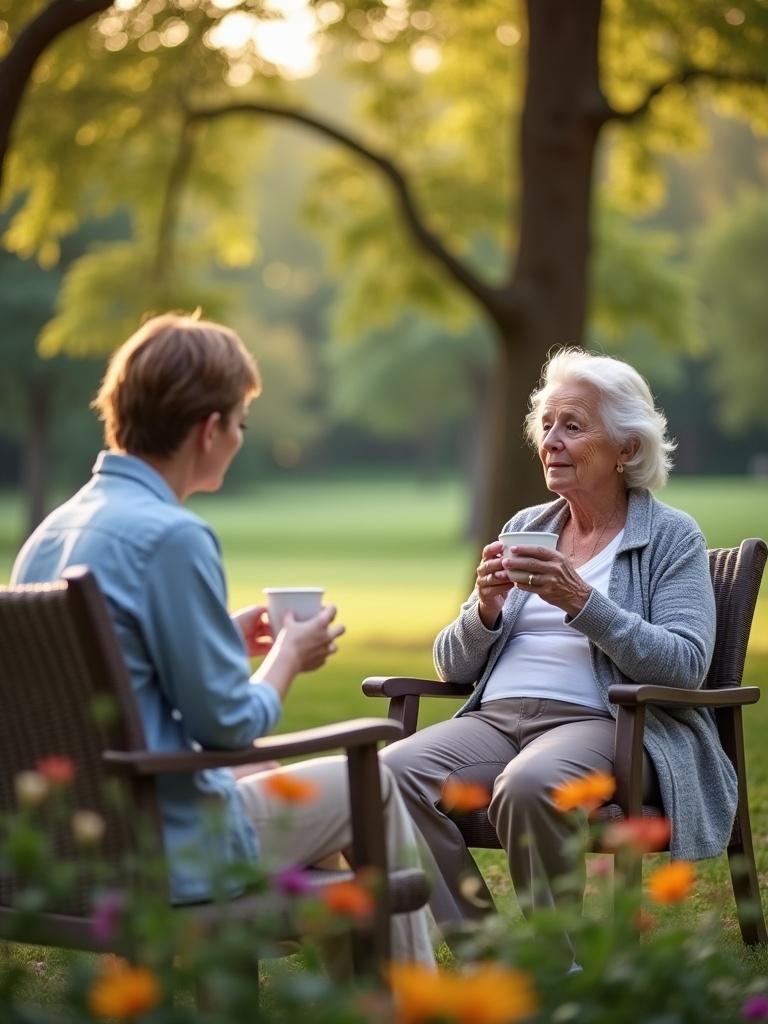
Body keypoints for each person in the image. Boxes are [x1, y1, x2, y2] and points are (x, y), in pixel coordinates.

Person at [11, 312, 434, 968]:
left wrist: (222, 646)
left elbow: (116, 682)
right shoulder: (172, 536)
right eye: (239, 423)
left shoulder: (52, 532)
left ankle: (343, 965)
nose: (238, 438)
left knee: (299, 819)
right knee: (368, 782)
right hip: (169, 852)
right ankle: (413, 1001)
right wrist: (289, 656)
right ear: (209, 430)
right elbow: (230, 725)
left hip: (78, 848)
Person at [381, 347, 736, 953]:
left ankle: (559, 961)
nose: (551, 440)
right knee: (389, 775)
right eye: (546, 425)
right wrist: (485, 609)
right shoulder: (529, 525)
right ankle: (481, 952)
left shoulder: (670, 537)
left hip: (608, 722)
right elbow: (451, 666)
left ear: (627, 449)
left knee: (527, 783)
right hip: (497, 718)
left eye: (573, 425)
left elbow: (685, 663)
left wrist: (582, 602)